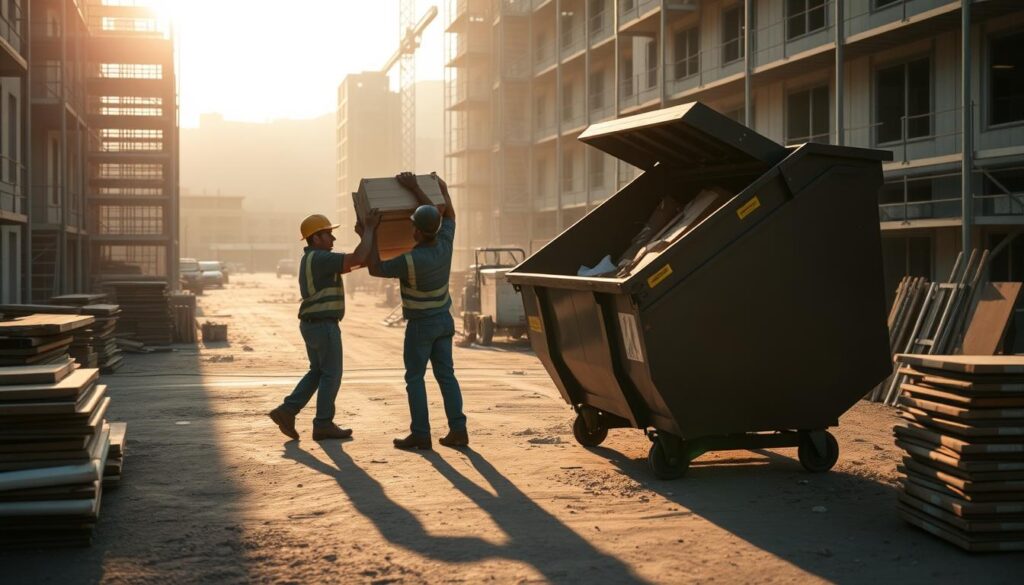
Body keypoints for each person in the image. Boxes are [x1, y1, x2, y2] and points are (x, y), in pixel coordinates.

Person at [367, 172, 467, 450]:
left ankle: (421, 434)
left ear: (419, 232)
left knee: (414, 378)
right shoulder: (445, 244)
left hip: (420, 326)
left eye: (414, 226)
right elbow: (448, 216)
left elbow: (375, 268)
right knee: (446, 376)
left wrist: (370, 231)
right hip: (444, 322)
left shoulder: (410, 260)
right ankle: (458, 430)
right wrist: (430, 190)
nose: (411, 229)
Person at [268, 211, 380, 441]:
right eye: (329, 234)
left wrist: (366, 241)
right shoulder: (321, 259)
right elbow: (357, 258)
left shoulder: (313, 259)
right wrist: (368, 231)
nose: (333, 239)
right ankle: (323, 423)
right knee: (332, 374)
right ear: (316, 238)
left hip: (312, 325)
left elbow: (358, 261)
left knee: (317, 372)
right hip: (323, 326)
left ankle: (287, 411)